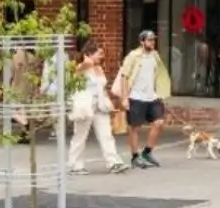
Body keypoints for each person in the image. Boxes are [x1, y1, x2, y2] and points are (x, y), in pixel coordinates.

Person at [68, 40, 129, 176]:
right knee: (80, 135)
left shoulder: (99, 68)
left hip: (99, 105)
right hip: (85, 106)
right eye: (99, 53)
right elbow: (81, 66)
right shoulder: (82, 67)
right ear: (90, 53)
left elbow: (102, 87)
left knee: (106, 135)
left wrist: (109, 104)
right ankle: (75, 165)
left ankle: (113, 162)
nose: (101, 56)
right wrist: (87, 57)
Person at [114, 29, 171, 169]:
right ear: (142, 41)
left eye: (153, 40)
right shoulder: (134, 56)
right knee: (135, 127)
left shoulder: (155, 55)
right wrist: (125, 98)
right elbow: (124, 76)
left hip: (152, 96)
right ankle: (134, 156)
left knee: (159, 122)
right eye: (149, 40)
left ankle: (147, 152)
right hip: (136, 96)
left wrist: (161, 92)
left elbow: (159, 74)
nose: (152, 42)